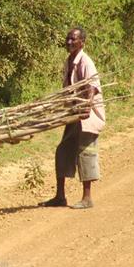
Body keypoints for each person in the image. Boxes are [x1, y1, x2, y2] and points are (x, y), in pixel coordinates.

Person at [39, 27, 105, 209]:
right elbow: (68, 89)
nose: (69, 42)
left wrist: (87, 107)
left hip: (87, 115)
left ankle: (87, 198)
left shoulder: (86, 61)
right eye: (68, 39)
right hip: (74, 114)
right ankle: (60, 196)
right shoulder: (69, 61)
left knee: (85, 154)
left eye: (73, 39)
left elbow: (91, 86)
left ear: (82, 42)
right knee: (63, 151)